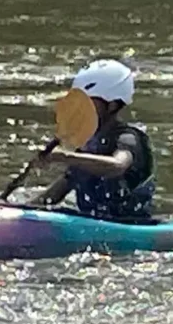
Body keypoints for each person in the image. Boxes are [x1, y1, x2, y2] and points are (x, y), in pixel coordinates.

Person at [34, 59, 156, 222]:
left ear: (112, 105)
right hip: (93, 223)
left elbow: (118, 165)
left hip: (129, 225)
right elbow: (54, 195)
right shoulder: (89, 144)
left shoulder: (129, 139)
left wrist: (65, 156)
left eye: (87, 103)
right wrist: (23, 210)